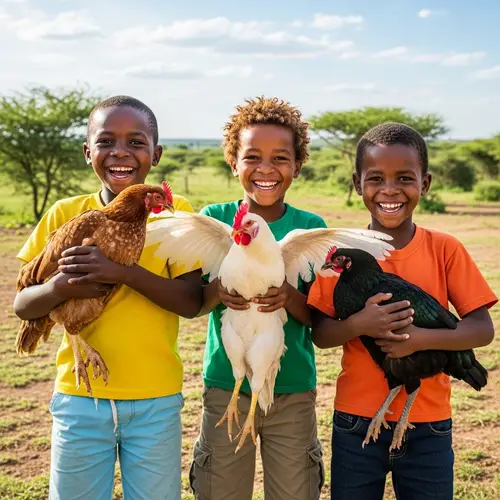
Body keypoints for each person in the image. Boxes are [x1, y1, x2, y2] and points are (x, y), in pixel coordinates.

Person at [13, 95, 203, 500]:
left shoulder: (177, 215)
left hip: (155, 398)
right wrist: (61, 287)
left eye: (136, 142)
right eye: (106, 142)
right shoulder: (69, 214)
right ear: (88, 152)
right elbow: (23, 303)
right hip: (80, 399)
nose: (120, 152)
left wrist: (121, 273)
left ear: (156, 154)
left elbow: (191, 302)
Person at [308, 122, 497, 500]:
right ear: (357, 183)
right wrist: (361, 323)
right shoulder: (342, 252)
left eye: (404, 178)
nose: (390, 189)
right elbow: (321, 334)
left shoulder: (445, 248)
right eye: (375, 178)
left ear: (424, 184)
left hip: (429, 424)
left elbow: (482, 329)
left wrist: (418, 339)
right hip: (355, 420)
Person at [189, 96, 326, 500]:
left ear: (297, 166)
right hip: (225, 386)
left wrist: (287, 297)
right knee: (221, 491)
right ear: (234, 163)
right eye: (252, 156)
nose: (266, 168)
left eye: (280, 157)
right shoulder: (214, 216)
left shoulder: (309, 227)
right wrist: (219, 291)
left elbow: (320, 317)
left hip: (292, 389)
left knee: (294, 492)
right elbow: (194, 302)